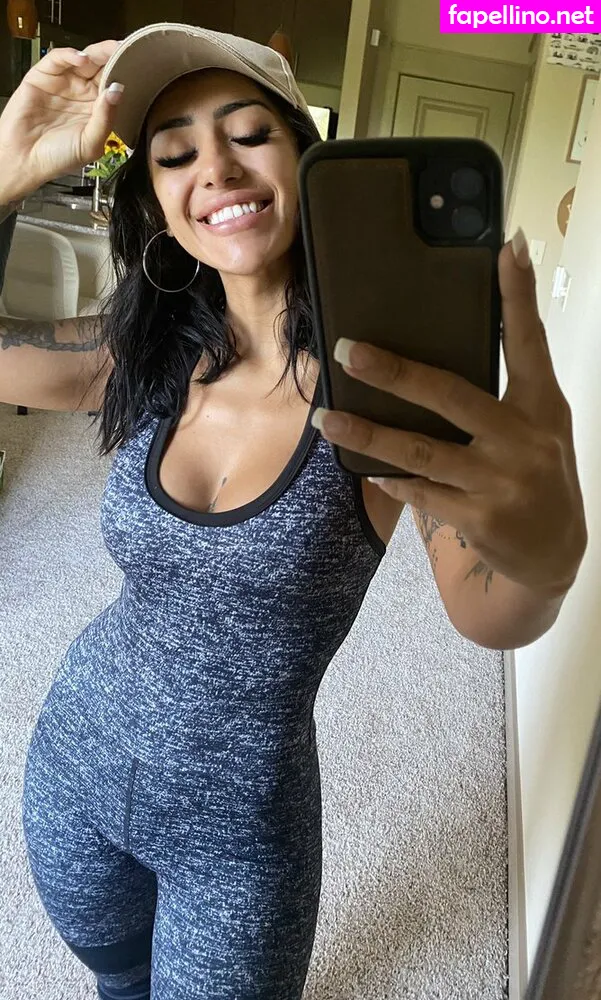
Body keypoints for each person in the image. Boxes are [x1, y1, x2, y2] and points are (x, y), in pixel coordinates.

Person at [0, 22, 588, 1000]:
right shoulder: (140, 357)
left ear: (308, 163)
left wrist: (546, 557)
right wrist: (4, 174)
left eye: (247, 133)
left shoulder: (379, 395)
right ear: (156, 203)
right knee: (114, 986)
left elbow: (485, 609)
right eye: (174, 153)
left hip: (238, 842)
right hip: (72, 766)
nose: (215, 167)